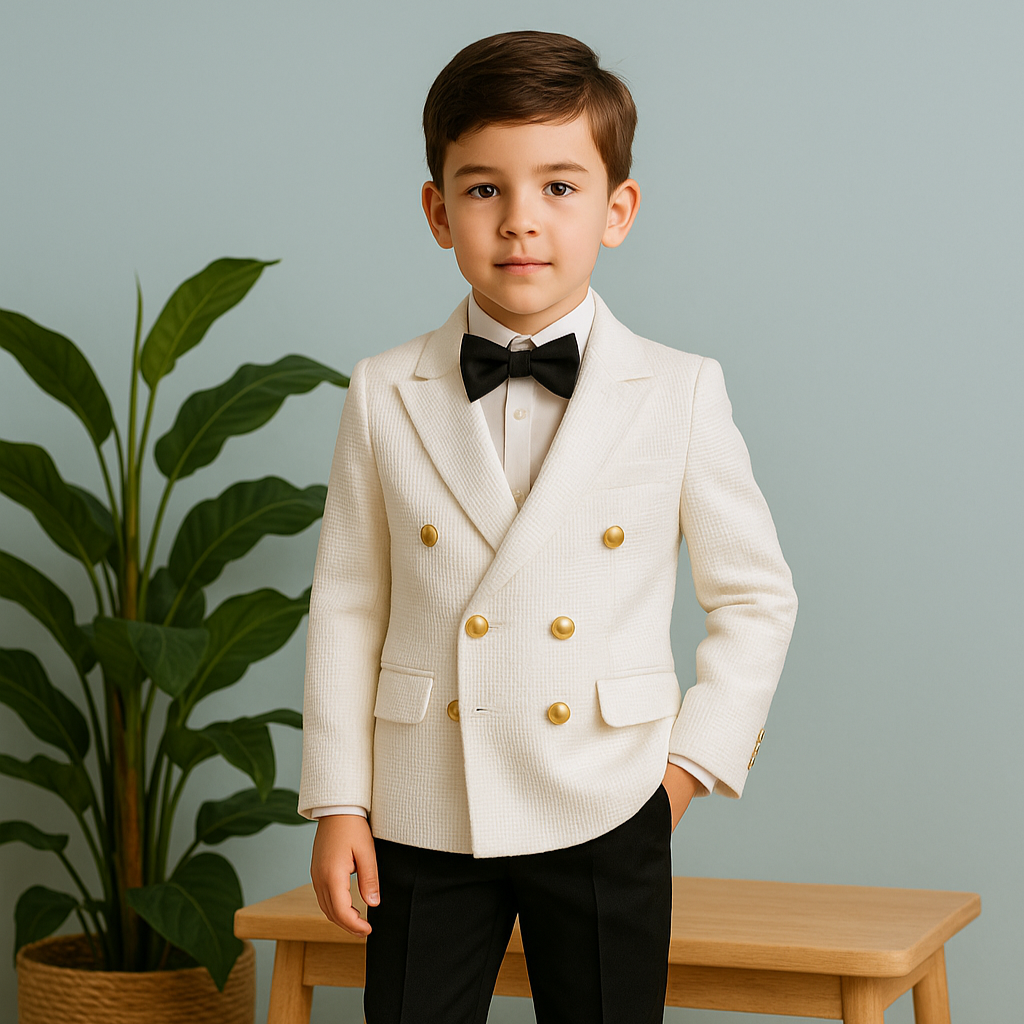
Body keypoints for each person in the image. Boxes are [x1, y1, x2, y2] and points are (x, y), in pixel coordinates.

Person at [298, 29, 797, 1024]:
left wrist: (684, 773)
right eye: (484, 189)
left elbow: (753, 595)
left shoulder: (680, 391)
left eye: (559, 188)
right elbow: (351, 603)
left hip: (608, 795)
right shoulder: (382, 388)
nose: (520, 222)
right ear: (439, 211)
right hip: (425, 797)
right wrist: (338, 800)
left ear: (618, 210)